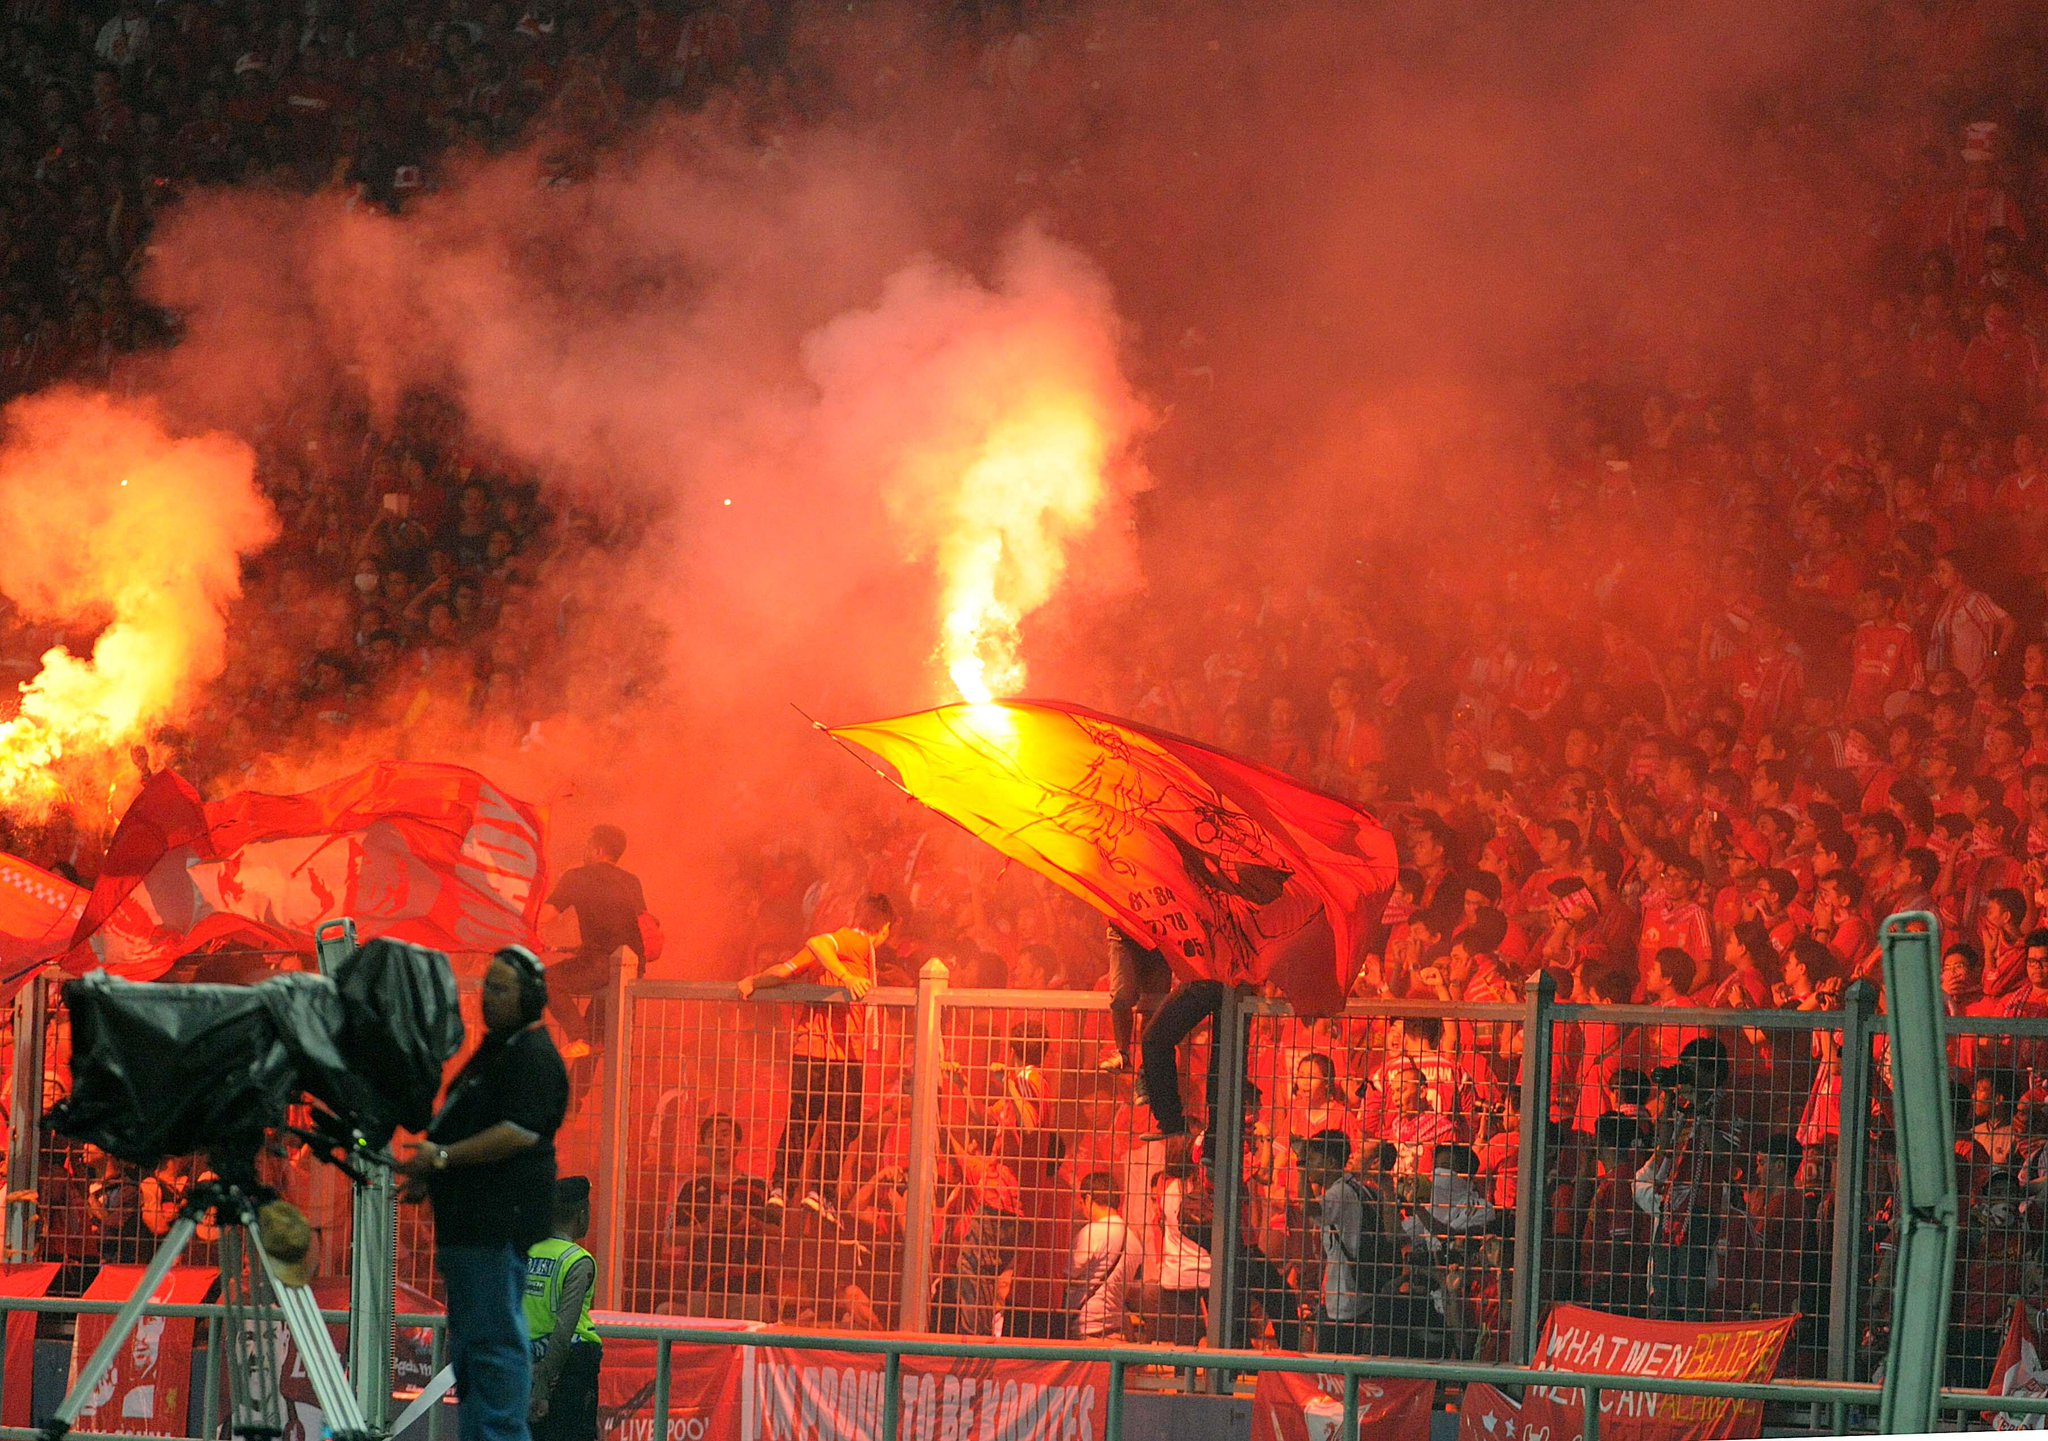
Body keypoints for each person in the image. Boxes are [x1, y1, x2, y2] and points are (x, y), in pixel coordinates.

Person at [400, 946, 570, 1441]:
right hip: (471, 1232)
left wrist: (445, 1158)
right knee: (474, 1357)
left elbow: (519, 1131)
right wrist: (430, 1170)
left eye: (500, 989)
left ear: (531, 997)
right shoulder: (500, 1052)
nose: (486, 1000)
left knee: (493, 1352)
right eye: (486, 988)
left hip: (494, 1230)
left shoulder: (534, 1057)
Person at [739, 892, 892, 1221]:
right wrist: (847, 976)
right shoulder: (856, 941)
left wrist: (755, 980)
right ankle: (820, 1192)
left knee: (801, 1122)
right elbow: (819, 942)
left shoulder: (842, 949)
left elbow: (787, 969)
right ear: (885, 928)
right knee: (842, 1123)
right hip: (838, 1053)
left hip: (808, 1051)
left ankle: (780, 1190)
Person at [539, 825, 649, 1072]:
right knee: (596, 1044)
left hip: (599, 965)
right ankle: (573, 1103)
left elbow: (546, 915)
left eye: (587, 846)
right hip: (631, 972)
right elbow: (629, 928)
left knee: (547, 982)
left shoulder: (578, 877)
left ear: (597, 850)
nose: (584, 852)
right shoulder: (632, 882)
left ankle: (578, 1037)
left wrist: (520, 930)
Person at [525, 1178, 602, 1441]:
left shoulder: (527, 1251)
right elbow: (564, 1328)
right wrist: (543, 1389)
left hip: (527, 1361)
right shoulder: (578, 1260)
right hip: (569, 1366)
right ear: (581, 1215)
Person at [1066, 1172, 1140, 1340]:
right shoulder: (1134, 1240)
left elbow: (1065, 1277)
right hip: (1116, 1329)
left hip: (1087, 1328)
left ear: (1089, 1199)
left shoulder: (1092, 1233)